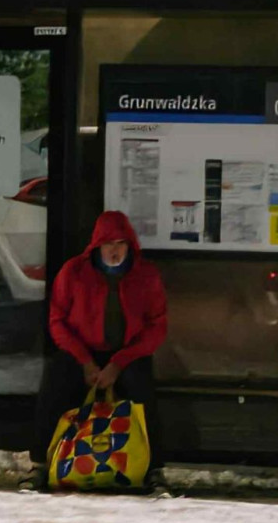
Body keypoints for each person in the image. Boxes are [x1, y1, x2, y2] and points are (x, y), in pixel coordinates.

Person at [22, 210, 169, 494]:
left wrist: (119, 362)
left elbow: (157, 326)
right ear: (97, 246)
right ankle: (39, 464)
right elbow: (57, 320)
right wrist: (85, 361)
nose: (114, 251)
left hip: (127, 353)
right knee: (55, 381)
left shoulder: (145, 275)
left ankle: (155, 470)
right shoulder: (74, 272)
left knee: (143, 388)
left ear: (130, 245)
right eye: (108, 244)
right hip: (82, 351)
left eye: (120, 243)